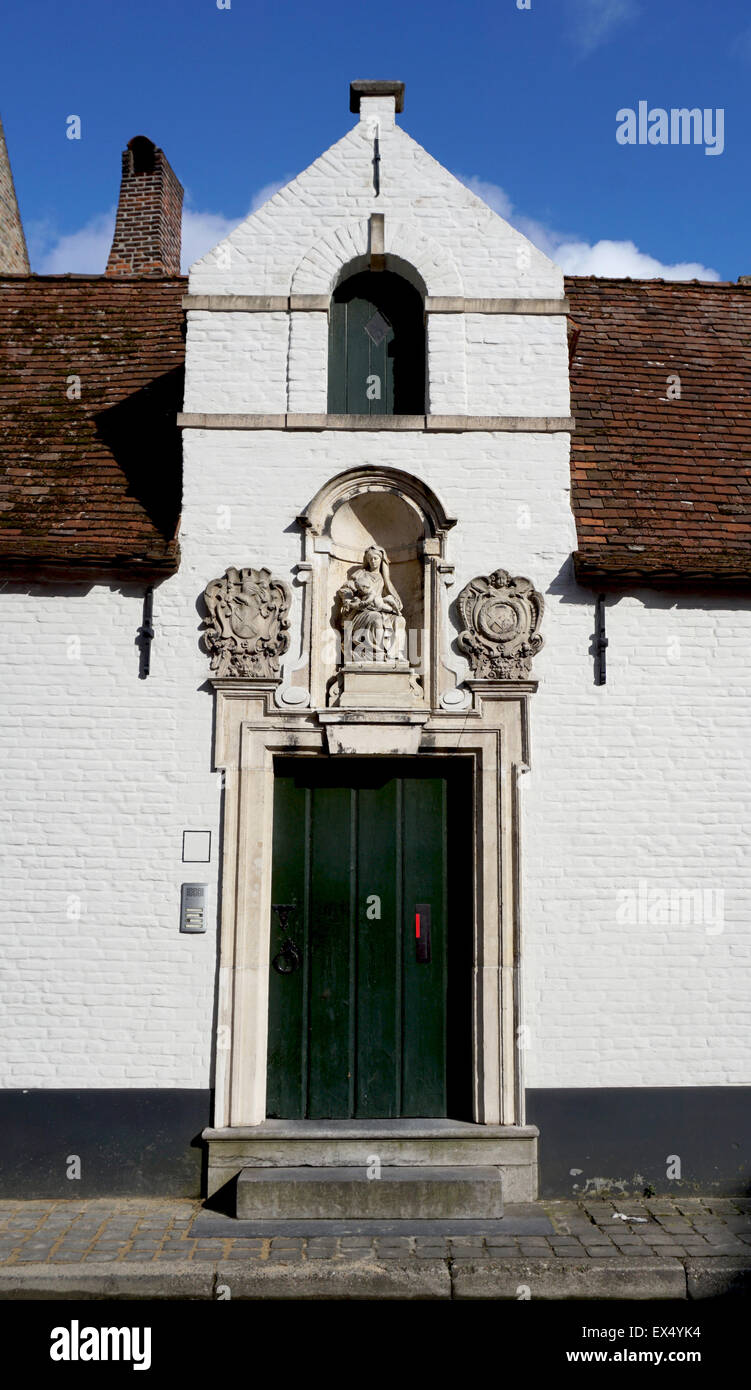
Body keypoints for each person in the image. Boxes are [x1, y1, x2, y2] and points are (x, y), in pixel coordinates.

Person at [338, 545, 407, 662]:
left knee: (400, 620)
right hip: (362, 612)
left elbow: (394, 600)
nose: (373, 561)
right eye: (370, 559)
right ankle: (377, 652)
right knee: (376, 617)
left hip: (379, 609)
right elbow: (346, 590)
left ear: (381, 560)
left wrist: (391, 604)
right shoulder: (360, 574)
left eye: (375, 558)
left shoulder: (383, 578)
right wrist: (349, 600)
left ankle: (395, 655)